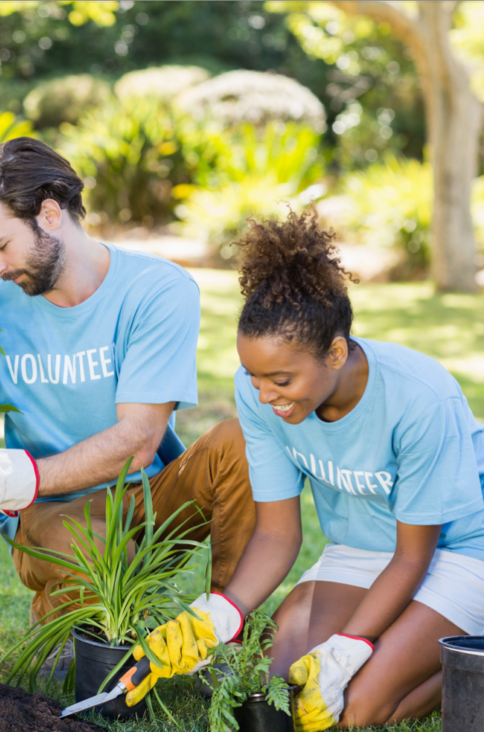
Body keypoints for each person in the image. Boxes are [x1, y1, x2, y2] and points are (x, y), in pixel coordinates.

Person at [124, 210, 484, 729]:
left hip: (455, 553)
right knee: (273, 688)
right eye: (253, 376)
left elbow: (412, 557)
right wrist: (218, 615)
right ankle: (409, 641)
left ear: (335, 352)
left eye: (281, 380)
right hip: (361, 550)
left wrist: (349, 647)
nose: (265, 394)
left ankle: (466, 658)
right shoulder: (261, 397)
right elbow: (276, 534)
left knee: (350, 707)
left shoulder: (418, 398)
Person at [0, 138, 257, 653]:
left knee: (240, 443)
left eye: (0, 246)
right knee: (94, 562)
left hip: (148, 499)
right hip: (52, 510)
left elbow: (139, 441)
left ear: (49, 214)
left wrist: (15, 475)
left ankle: (219, 633)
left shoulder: (158, 290)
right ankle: (66, 619)